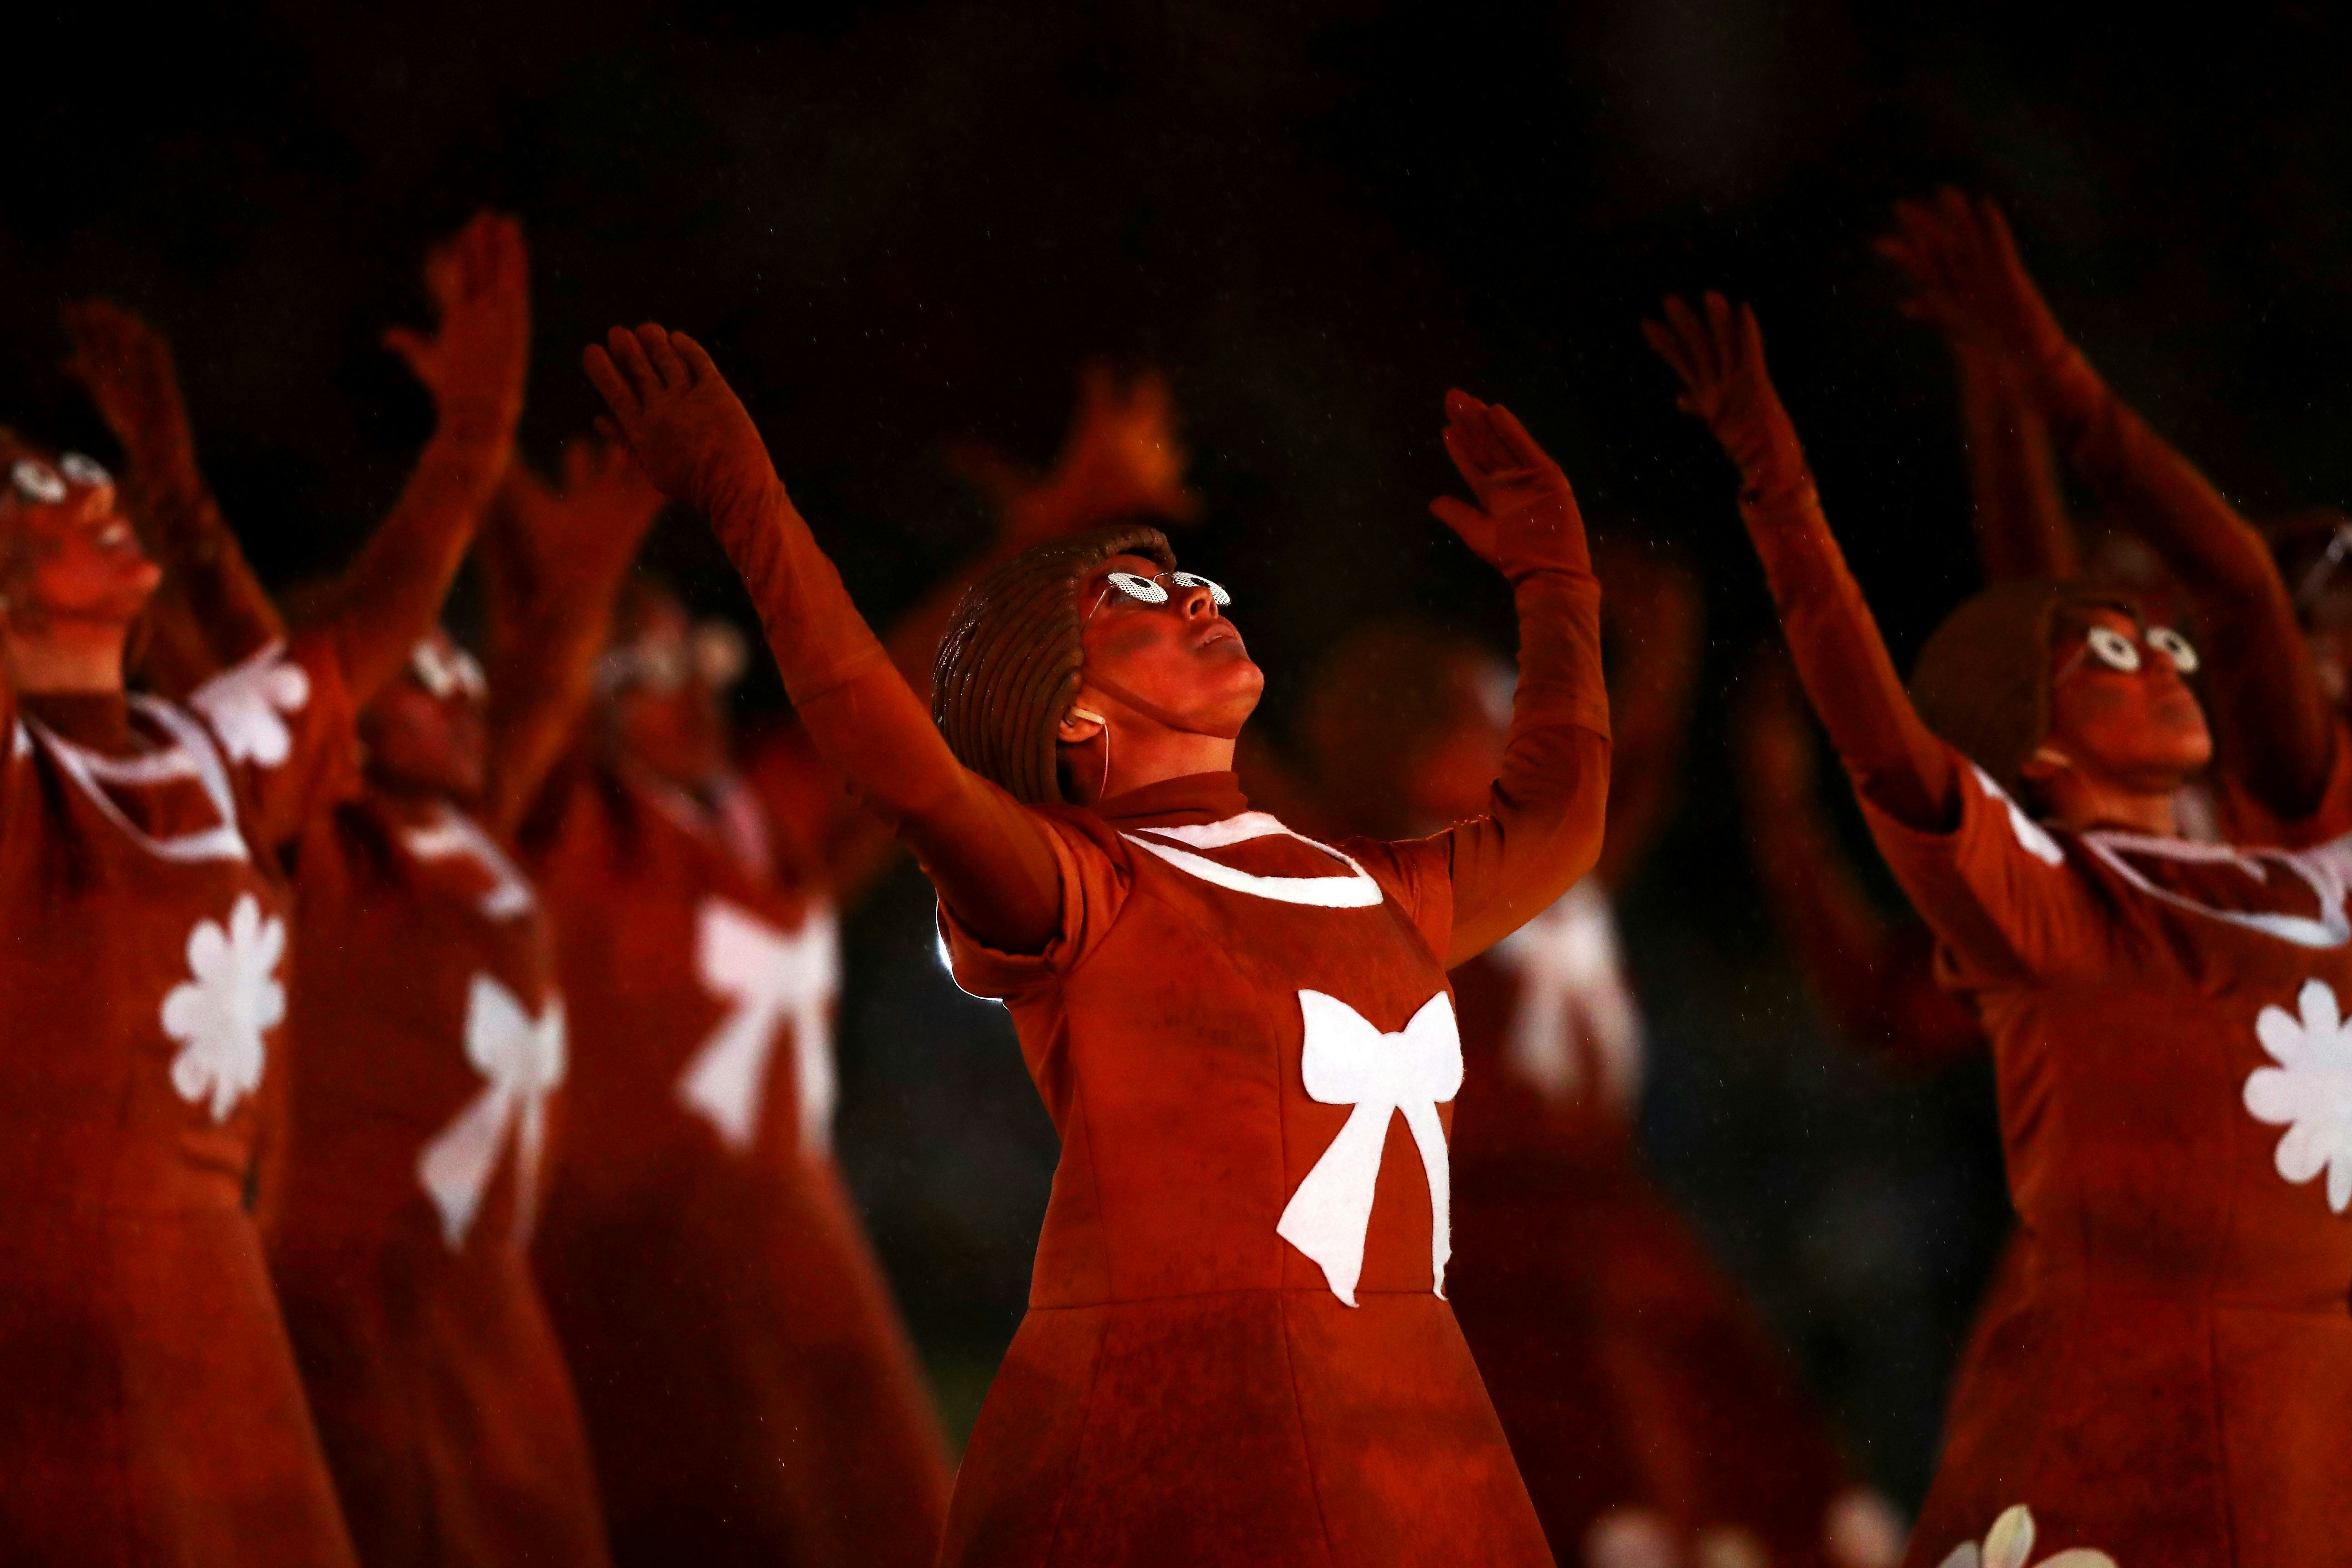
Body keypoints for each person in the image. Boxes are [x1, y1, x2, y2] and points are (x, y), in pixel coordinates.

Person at [580, 320, 1609, 1565]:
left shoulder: (1364, 884)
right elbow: (891, 750)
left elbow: (1557, 822)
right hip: (1187, 1433)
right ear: (1068, 704)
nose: (1195, 594)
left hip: (1426, 1428)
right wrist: (745, 493)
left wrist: (1559, 584)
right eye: (1134, 595)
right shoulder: (1093, 885)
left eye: (1197, 585)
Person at [1647, 278, 2352, 1566]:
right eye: (2124, 641)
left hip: (2304, 1388)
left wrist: (2023, 378)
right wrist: (1788, 493)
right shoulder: (2054, 896)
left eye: (2171, 639)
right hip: (2144, 1380)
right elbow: (1936, 709)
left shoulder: (2301, 864)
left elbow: (2214, 595)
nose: (2171, 650)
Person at [0, 213, 516, 1567]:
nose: (87, 486)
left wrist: (469, 441)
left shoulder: (202, 757)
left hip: (225, 1314)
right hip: (58, 1328)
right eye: (46, 485)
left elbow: (366, 633)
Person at [1295, 556, 1897, 1568]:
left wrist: (1659, 658)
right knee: (1599, 1475)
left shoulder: (1535, 873)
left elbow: (1625, 791)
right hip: (1499, 1229)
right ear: (1412, 754)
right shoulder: (1402, 895)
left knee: (1745, 1456)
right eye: (1484, 715)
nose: (1513, 736)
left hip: (1605, 1213)